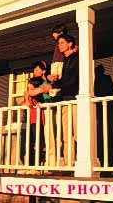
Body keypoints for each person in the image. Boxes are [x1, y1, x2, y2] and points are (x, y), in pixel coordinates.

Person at [47, 34, 79, 166]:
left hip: (74, 100)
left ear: (70, 44)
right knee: (67, 135)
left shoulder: (75, 59)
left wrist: (53, 84)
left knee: (77, 134)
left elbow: (71, 81)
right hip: (65, 100)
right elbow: (66, 81)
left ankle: (77, 163)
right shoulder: (66, 60)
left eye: (61, 42)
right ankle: (69, 163)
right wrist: (55, 81)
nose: (59, 45)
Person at [18, 61, 50, 174]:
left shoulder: (44, 83)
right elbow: (24, 100)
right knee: (28, 141)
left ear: (43, 71)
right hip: (29, 116)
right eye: (34, 70)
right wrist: (25, 99)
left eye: (38, 70)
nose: (35, 72)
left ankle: (37, 166)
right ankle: (30, 165)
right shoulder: (33, 82)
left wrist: (31, 92)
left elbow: (45, 96)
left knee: (39, 141)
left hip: (38, 115)